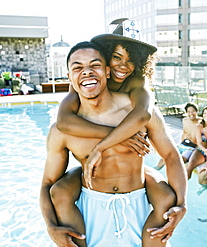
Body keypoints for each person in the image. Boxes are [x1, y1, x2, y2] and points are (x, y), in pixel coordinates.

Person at [40, 41, 187, 247]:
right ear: (70, 78)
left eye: (95, 65)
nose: (87, 73)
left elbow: (171, 156)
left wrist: (181, 204)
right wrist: (50, 226)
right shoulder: (61, 130)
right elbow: (48, 183)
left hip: (140, 208)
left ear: (107, 71)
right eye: (78, 68)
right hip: (91, 213)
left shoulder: (138, 111)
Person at [155, 102, 201, 170]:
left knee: (180, 160)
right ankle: (155, 171)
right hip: (184, 144)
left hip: (192, 147)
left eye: (193, 111)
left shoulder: (201, 122)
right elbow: (184, 133)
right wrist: (180, 145)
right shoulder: (185, 120)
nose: (191, 114)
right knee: (165, 156)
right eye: (188, 112)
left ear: (197, 111)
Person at [186, 106, 207, 179]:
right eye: (204, 113)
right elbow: (199, 143)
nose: (206, 115)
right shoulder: (199, 127)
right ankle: (184, 186)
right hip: (202, 150)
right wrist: (205, 150)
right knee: (190, 165)